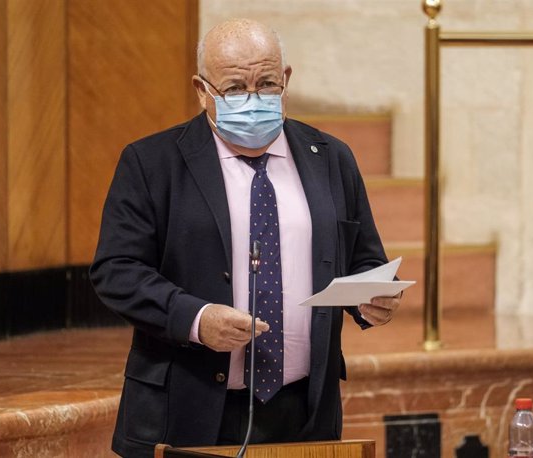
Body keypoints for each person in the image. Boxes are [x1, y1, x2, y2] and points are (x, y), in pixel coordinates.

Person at [90, 18, 400, 458]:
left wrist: (373, 298)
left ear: (286, 80)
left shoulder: (331, 158)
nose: (253, 99)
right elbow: (116, 271)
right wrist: (196, 319)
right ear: (202, 90)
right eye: (235, 89)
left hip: (305, 412)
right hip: (189, 408)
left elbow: (363, 259)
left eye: (267, 83)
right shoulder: (151, 162)